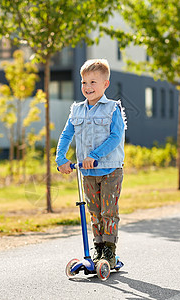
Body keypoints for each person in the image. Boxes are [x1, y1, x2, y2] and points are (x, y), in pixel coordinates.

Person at [56, 58, 126, 268]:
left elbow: (116, 137)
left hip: (111, 169)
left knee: (108, 212)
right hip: (87, 172)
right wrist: (60, 158)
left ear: (105, 84)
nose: (87, 87)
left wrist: (94, 155)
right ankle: (98, 249)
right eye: (84, 82)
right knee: (94, 212)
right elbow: (66, 135)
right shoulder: (76, 110)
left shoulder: (113, 109)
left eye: (93, 82)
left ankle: (110, 252)